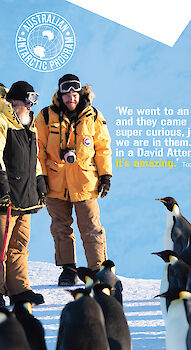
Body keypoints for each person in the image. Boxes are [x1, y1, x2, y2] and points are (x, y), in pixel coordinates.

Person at [35, 74, 112, 286]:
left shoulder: (93, 116)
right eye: (66, 92)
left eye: (74, 92)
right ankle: (68, 269)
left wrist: (105, 174)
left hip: (85, 183)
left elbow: (103, 147)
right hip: (55, 182)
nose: (71, 97)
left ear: (80, 93)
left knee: (91, 226)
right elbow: (38, 149)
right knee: (61, 227)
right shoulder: (45, 116)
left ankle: (97, 269)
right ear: (60, 94)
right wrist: (40, 177)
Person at [0, 81, 47, 305]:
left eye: (33, 101)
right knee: (1, 246)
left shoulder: (28, 126)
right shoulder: (3, 121)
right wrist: (2, 189)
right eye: (27, 101)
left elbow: (34, 160)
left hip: (24, 198)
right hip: (6, 198)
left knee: (19, 246)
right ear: (13, 102)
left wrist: (40, 183)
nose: (30, 106)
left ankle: (19, 289)